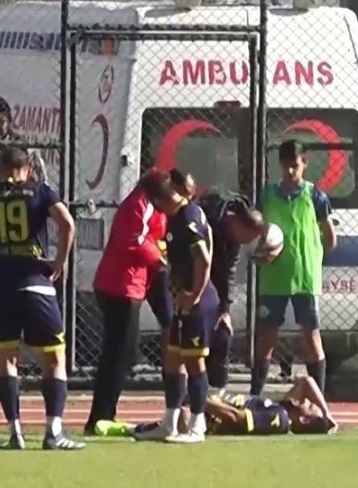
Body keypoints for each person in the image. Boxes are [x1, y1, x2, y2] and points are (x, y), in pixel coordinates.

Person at [0, 147, 85, 450]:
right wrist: (59, 261)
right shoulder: (40, 191)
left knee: (5, 358)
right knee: (54, 358)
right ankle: (53, 431)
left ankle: (15, 432)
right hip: (35, 281)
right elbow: (67, 224)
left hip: (0, 285)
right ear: (28, 168)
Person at [134, 171, 218, 444]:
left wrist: (195, 294)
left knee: (193, 361)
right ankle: (169, 422)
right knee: (172, 358)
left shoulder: (186, 217)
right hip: (182, 299)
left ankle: (197, 425)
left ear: (160, 200)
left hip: (196, 301)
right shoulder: (182, 214)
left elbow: (203, 258)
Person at [83, 178, 172, 435]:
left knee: (122, 353)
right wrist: (160, 258)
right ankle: (100, 416)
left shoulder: (148, 205)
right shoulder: (139, 204)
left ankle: (103, 414)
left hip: (135, 282)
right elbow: (134, 240)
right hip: (121, 286)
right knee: (119, 354)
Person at [169, 170, 267, 396]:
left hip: (208, 291)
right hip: (187, 282)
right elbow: (200, 259)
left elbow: (228, 273)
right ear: (238, 225)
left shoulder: (233, 241)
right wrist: (194, 292)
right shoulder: (207, 217)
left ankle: (216, 392)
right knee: (184, 349)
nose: (245, 243)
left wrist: (224, 310)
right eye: (247, 237)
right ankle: (183, 401)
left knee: (222, 333)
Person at [252, 140, 337, 396]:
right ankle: (255, 396)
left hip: (305, 278)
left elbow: (331, 239)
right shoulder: (267, 196)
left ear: (304, 164)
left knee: (311, 336)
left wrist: (313, 254)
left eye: (295, 165)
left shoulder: (316, 196)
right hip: (274, 277)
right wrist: (259, 253)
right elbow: (254, 234)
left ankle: (318, 399)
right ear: (280, 164)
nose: (290, 171)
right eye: (286, 165)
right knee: (267, 337)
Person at [128, 376, 338, 438]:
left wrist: (200, 400)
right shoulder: (285, 407)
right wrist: (326, 413)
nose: (310, 402)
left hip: (202, 415)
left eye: (312, 408)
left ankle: (140, 429)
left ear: (303, 419)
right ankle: (138, 428)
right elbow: (307, 382)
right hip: (202, 402)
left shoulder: (280, 418)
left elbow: (236, 417)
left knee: (175, 422)